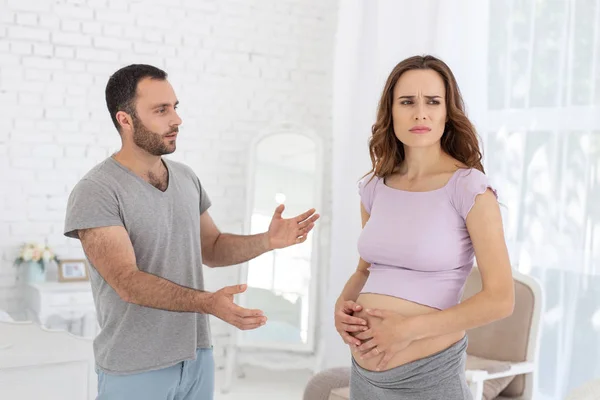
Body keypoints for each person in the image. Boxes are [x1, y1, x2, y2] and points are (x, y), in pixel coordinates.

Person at [63, 64, 319, 400]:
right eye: (161, 110)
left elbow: (211, 248)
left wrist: (268, 241)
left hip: (198, 357)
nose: (176, 120)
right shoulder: (97, 190)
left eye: (175, 107)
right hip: (135, 366)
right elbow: (127, 282)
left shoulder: (185, 178)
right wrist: (208, 303)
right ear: (125, 120)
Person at [333, 55, 515, 399]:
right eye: (407, 102)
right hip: (366, 380)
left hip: (428, 379)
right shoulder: (375, 187)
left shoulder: (469, 188)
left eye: (433, 101)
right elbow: (365, 270)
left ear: (448, 112)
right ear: (391, 111)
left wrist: (408, 331)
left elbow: (501, 299)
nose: (420, 113)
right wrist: (342, 305)